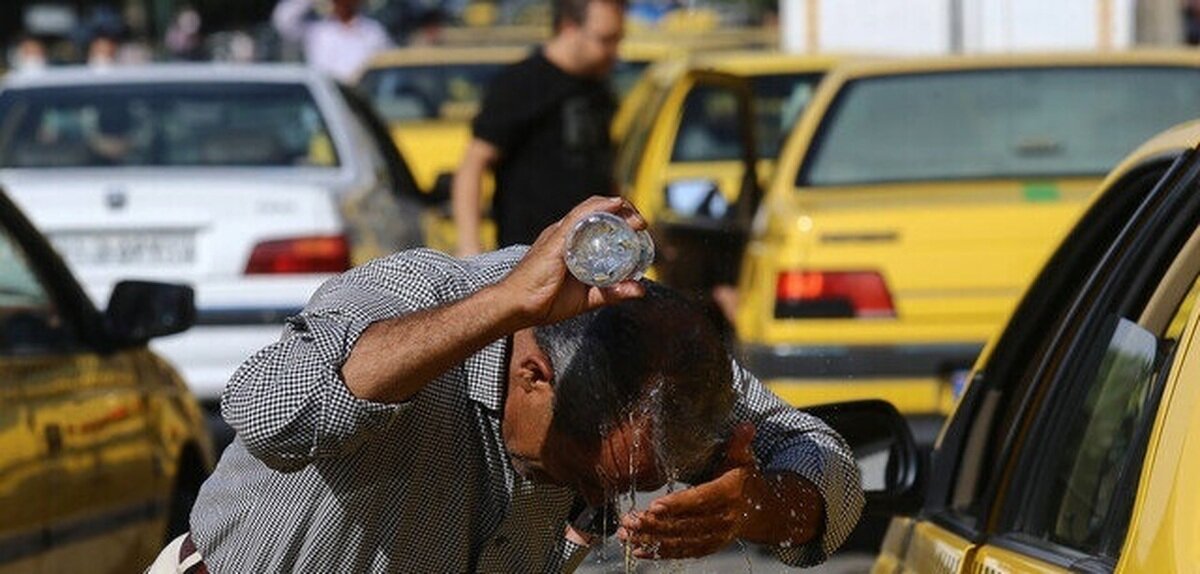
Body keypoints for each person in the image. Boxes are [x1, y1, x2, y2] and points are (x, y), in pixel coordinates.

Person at [145, 196, 863, 572]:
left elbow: (832, 472)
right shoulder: (416, 294)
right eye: (582, 476)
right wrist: (504, 306)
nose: (601, 510)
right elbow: (269, 414)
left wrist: (756, 508)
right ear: (531, 375)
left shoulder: (652, 352)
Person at [451, 0, 624, 256]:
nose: (614, 52)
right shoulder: (522, 83)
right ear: (569, 28)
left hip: (590, 256)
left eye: (617, 40)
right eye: (605, 39)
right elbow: (473, 164)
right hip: (527, 255)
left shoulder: (597, 89)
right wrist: (469, 245)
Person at [272, 0, 392, 83]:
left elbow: (388, 64)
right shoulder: (318, 31)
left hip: (360, 98)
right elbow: (283, 21)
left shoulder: (373, 31)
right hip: (328, 99)